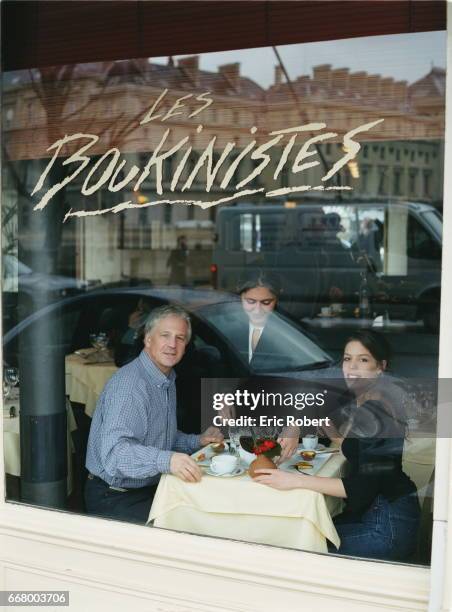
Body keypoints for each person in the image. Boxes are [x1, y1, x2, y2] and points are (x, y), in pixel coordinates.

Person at [254, 329, 420, 561]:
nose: (351, 368)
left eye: (363, 360)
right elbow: (359, 448)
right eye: (347, 359)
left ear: (380, 366)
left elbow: (360, 487)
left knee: (294, 543)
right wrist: (302, 427)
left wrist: (293, 481)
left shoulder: (378, 411)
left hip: (387, 528)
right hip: (381, 512)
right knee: (302, 529)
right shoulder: (369, 397)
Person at [85, 304, 223, 524]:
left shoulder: (165, 379)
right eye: (165, 335)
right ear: (147, 339)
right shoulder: (131, 387)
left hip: (146, 490)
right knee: (192, 528)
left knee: (207, 513)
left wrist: (197, 441)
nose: (172, 344)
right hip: (114, 497)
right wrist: (168, 460)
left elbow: (157, 436)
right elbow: (115, 454)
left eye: (180, 338)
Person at [228, 270, 299, 462]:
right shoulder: (227, 328)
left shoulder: (292, 333)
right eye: (250, 302)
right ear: (239, 296)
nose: (257, 310)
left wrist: (296, 423)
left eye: (266, 303)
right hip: (237, 431)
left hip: (278, 432)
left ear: (277, 299)